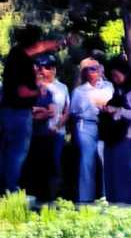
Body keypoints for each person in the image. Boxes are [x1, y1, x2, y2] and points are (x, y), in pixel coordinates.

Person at [0, 25, 61, 193]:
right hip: (18, 113)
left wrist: (61, 43)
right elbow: (22, 91)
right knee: (17, 153)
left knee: (7, 152)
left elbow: (45, 46)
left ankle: (6, 189)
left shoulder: (15, 54)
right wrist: (38, 91)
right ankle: (10, 190)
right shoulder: (22, 62)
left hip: (8, 112)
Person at [24, 58, 69, 201]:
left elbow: (60, 111)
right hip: (35, 132)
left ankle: (53, 196)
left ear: (54, 69)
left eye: (47, 67)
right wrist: (39, 111)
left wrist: (56, 125)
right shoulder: (32, 88)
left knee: (54, 164)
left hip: (55, 132)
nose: (43, 70)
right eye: (40, 68)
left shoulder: (61, 88)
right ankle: (33, 194)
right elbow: (29, 112)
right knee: (33, 164)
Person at [101, 56, 131, 205]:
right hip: (111, 138)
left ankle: (126, 206)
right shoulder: (117, 91)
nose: (115, 79)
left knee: (124, 176)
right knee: (111, 174)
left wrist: (118, 110)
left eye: (116, 75)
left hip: (126, 138)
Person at [69, 57, 110, 202]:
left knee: (105, 160)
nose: (96, 71)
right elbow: (73, 112)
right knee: (87, 162)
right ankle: (85, 199)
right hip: (86, 126)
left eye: (97, 67)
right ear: (85, 72)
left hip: (105, 125)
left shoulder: (108, 86)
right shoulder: (79, 91)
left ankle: (106, 196)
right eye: (91, 69)